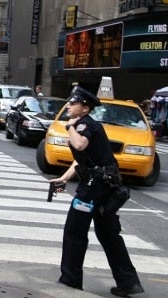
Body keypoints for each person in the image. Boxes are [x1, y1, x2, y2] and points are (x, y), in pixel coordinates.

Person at [50, 86, 144, 297]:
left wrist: (70, 127)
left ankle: (70, 280)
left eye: (73, 103)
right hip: (105, 186)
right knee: (108, 234)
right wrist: (63, 178)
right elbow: (82, 160)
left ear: (85, 108)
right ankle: (128, 282)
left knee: (74, 232)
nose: (69, 105)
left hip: (94, 188)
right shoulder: (85, 124)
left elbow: (80, 146)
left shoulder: (84, 125)